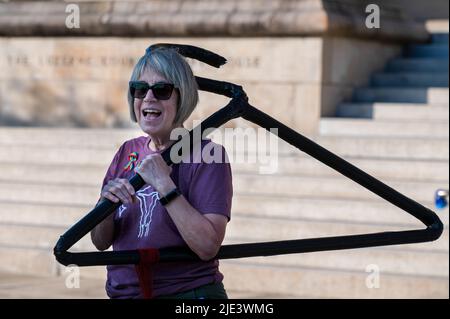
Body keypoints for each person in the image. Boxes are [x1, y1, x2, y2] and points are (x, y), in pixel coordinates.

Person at [90, 46, 233, 299]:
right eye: (139, 89)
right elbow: (100, 242)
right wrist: (105, 207)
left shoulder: (208, 155)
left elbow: (207, 246)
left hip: (188, 295)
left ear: (183, 97)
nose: (148, 98)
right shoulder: (127, 151)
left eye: (162, 90)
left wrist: (164, 185)